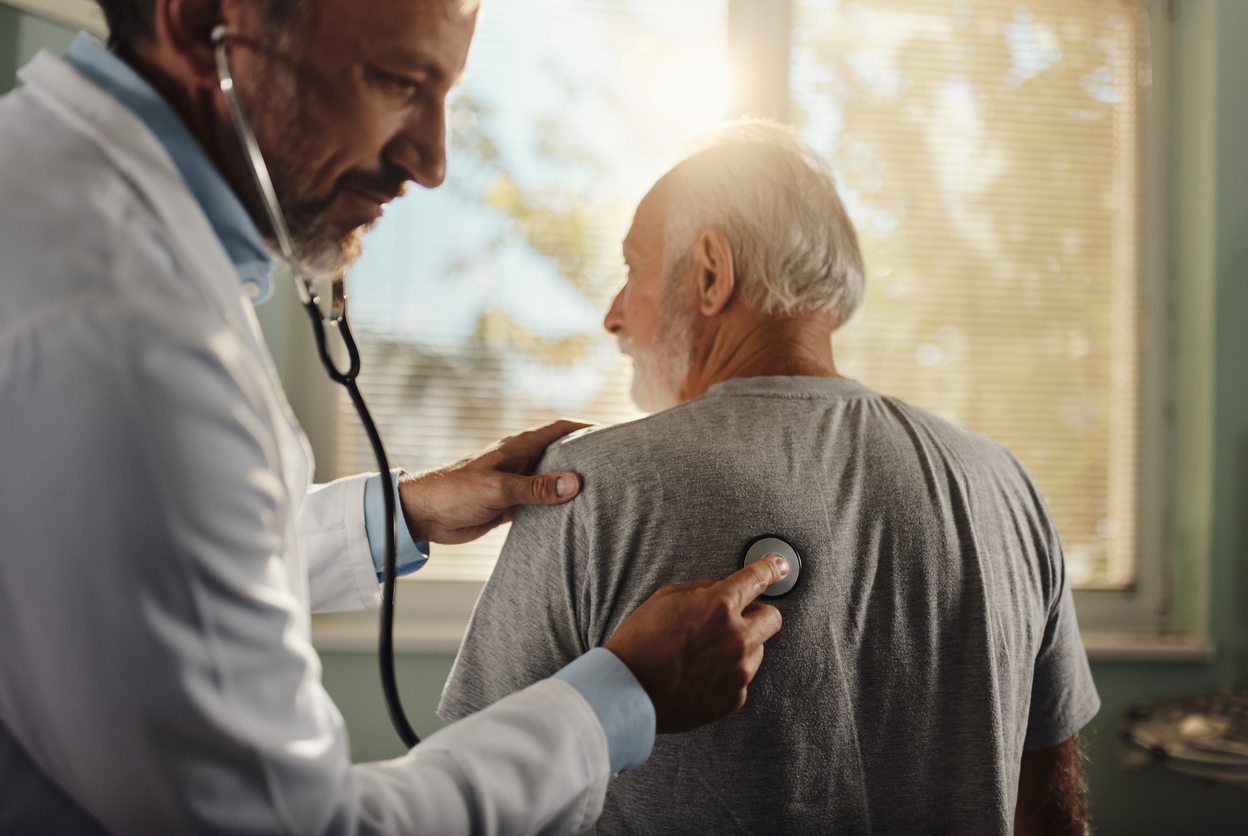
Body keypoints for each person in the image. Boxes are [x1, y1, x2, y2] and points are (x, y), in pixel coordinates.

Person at [0, 0, 791, 833]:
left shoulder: (50, 199)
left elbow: (129, 565)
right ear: (203, 25)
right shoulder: (120, 334)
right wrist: (619, 698)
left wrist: (403, 512)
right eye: (396, 80)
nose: (432, 161)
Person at [440, 121, 1101, 835]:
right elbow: (1049, 812)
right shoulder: (1002, 487)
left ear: (710, 272)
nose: (613, 314)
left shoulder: (581, 487)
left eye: (632, 269)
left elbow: (480, 804)